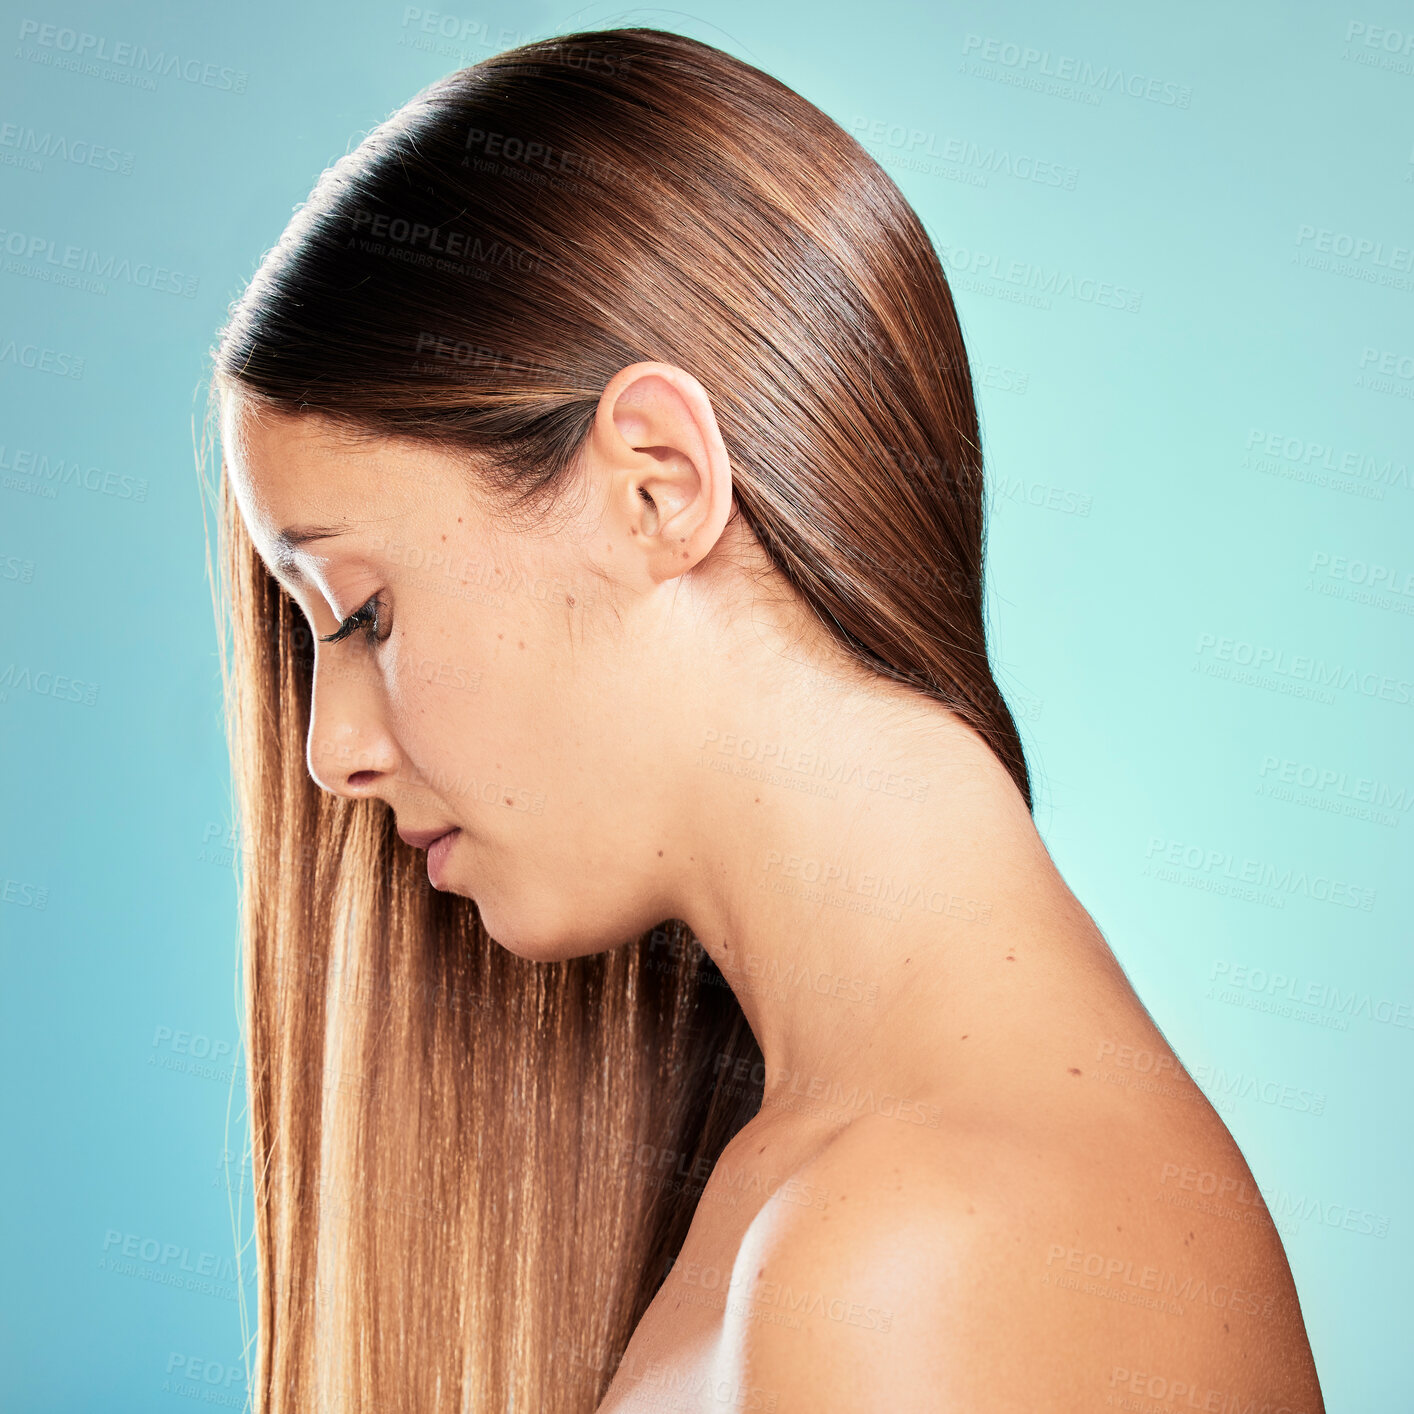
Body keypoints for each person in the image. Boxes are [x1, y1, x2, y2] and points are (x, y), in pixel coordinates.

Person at [207, 26, 1325, 1414]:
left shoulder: (930, 1250)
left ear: (657, 484)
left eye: (362, 609)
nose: (332, 752)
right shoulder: (821, 1179)